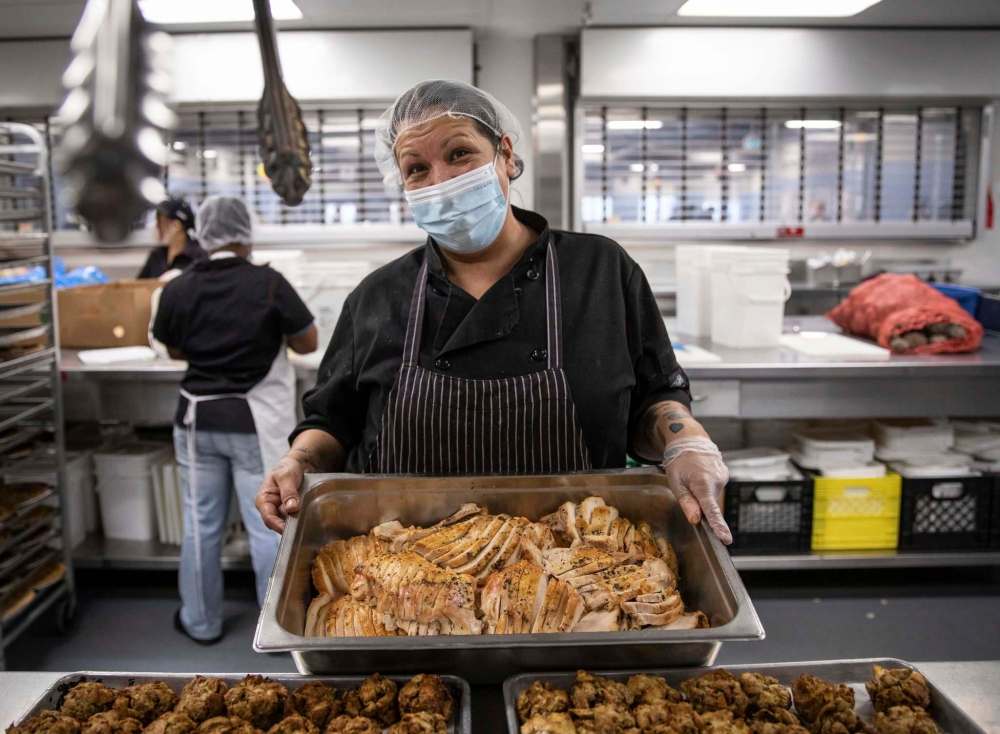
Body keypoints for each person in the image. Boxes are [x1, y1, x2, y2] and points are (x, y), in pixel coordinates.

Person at [255, 80, 731, 544]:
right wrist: (299, 461)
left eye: (460, 153)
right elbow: (332, 422)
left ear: (505, 153)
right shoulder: (378, 296)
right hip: (406, 572)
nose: (441, 180)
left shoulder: (600, 272)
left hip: (580, 560)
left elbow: (654, 399)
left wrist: (684, 441)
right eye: (416, 169)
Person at [152, 195, 318, 643]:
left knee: (201, 521)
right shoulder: (268, 284)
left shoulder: (177, 287)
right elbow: (307, 343)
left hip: (196, 423)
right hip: (252, 425)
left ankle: (200, 622)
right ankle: (277, 626)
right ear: (246, 235)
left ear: (205, 234)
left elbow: (172, 348)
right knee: (264, 520)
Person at [138, 197, 207, 279]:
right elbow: (138, 285)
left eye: (160, 222)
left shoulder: (198, 257)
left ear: (176, 226)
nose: (156, 227)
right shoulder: (157, 255)